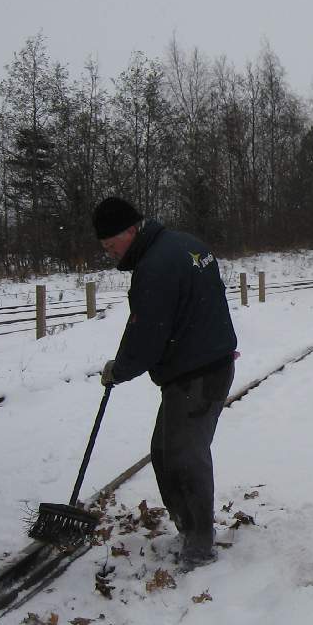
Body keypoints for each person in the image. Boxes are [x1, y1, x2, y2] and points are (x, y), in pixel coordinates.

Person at [92, 196, 238, 569]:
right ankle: (189, 529)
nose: (111, 254)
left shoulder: (155, 266)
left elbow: (147, 334)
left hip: (197, 374)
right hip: (207, 364)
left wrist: (119, 369)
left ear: (130, 230)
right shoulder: (187, 244)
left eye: (111, 245)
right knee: (164, 451)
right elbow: (206, 302)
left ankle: (199, 544)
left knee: (183, 458)